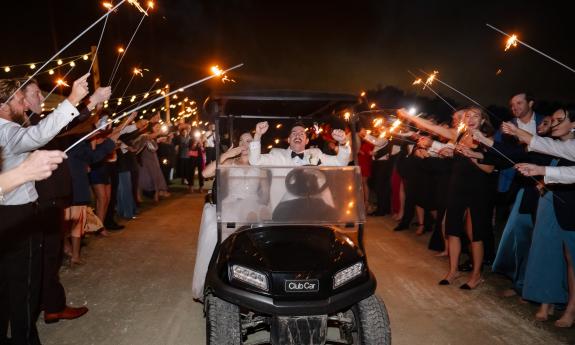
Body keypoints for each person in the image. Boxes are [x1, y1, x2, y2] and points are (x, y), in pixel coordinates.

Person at [0, 74, 89, 345]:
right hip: (18, 215)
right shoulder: (7, 129)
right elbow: (37, 135)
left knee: (4, 288)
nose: (23, 103)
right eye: (18, 98)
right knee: (25, 290)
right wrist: (72, 99)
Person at [192, 132, 263, 300]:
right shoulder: (230, 163)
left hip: (251, 208)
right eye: (241, 141)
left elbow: (266, 194)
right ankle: (212, 281)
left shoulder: (260, 165)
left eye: (249, 141)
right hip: (231, 206)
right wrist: (225, 155)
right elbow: (205, 174)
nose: (245, 144)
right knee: (213, 229)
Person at [248, 121, 350, 167]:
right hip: (283, 206)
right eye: (294, 133)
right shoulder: (276, 154)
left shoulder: (316, 154)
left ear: (306, 141)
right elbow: (255, 161)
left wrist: (343, 142)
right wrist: (257, 135)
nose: (298, 136)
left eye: (302, 134)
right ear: (289, 140)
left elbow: (340, 163)